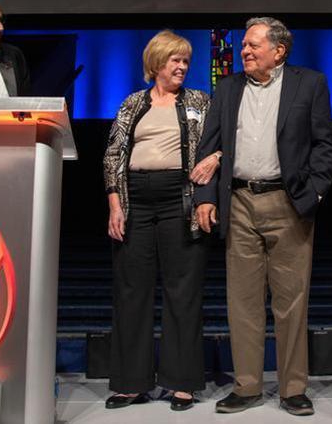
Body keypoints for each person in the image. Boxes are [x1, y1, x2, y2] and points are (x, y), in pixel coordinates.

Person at [192, 17, 332, 417]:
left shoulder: (310, 83)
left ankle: (293, 389)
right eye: (244, 46)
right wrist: (206, 197)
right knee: (243, 301)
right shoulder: (228, 88)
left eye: (254, 45)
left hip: (288, 203)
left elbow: (325, 144)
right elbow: (209, 147)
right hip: (239, 202)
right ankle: (247, 386)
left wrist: (315, 192)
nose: (245, 51)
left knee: (291, 301)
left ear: (279, 50)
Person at [101, 30, 212, 412]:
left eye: (185, 61)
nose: (182, 67)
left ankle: (182, 383)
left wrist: (208, 179)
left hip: (179, 199)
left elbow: (217, 145)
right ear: (156, 65)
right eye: (174, 61)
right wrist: (116, 204)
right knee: (132, 291)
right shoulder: (133, 102)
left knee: (183, 291)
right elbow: (113, 154)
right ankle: (131, 383)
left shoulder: (199, 101)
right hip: (136, 201)